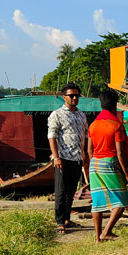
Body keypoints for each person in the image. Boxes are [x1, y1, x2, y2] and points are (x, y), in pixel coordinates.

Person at [88, 88, 128, 242]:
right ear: (115, 106)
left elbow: (89, 150)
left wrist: (91, 167)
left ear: (101, 105)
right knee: (121, 202)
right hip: (109, 162)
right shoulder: (116, 125)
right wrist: (127, 174)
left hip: (94, 164)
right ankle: (106, 232)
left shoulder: (93, 125)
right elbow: (120, 153)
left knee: (97, 202)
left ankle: (97, 238)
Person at [47, 82, 89, 234]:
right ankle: (59, 222)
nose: (74, 98)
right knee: (61, 191)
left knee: (71, 191)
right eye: (71, 96)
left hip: (77, 158)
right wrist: (56, 157)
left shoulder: (81, 115)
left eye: (77, 95)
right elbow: (52, 136)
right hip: (62, 158)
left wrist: (85, 154)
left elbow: (85, 135)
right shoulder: (57, 114)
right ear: (64, 97)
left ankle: (66, 218)